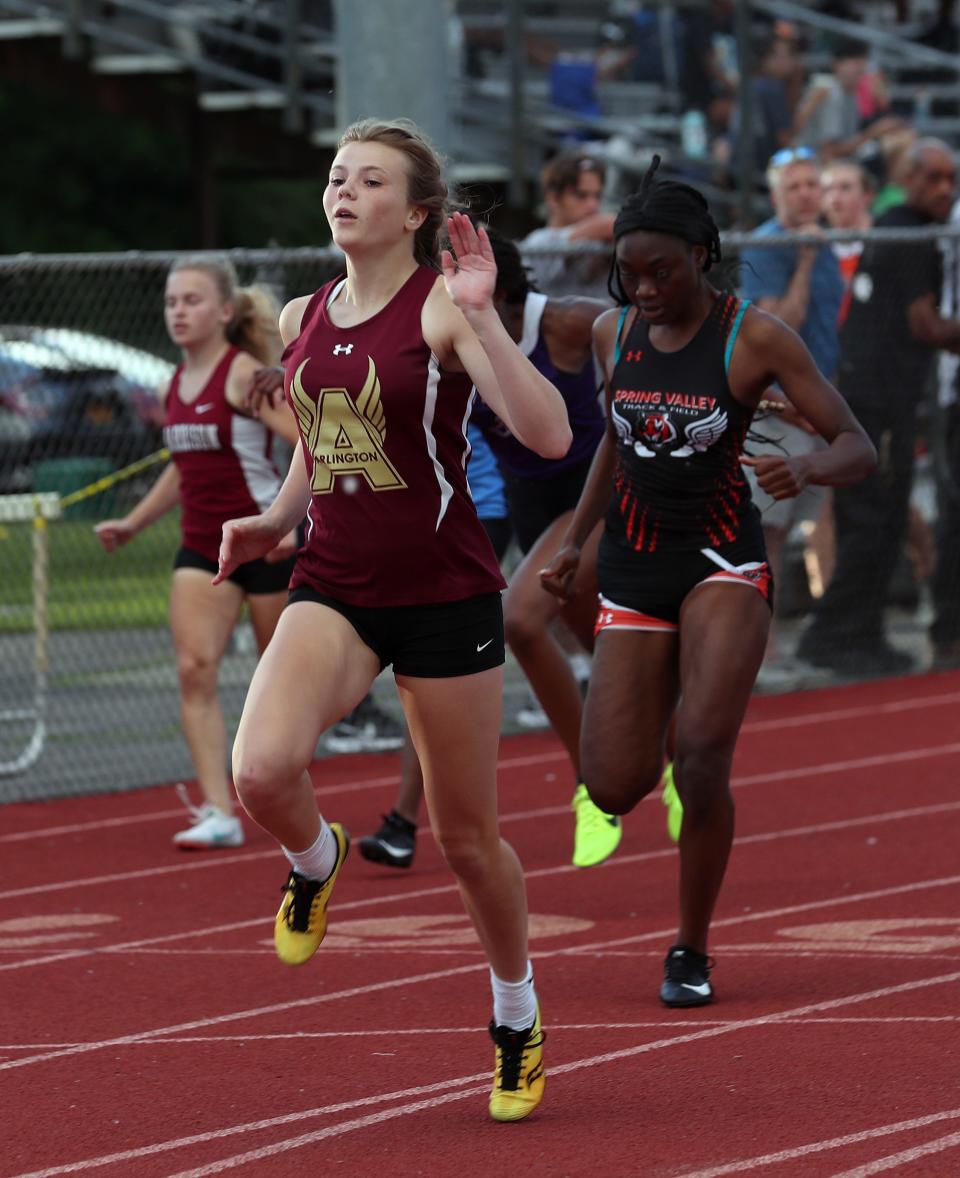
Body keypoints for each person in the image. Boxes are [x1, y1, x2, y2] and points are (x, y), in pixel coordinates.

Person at [217, 119, 572, 1122]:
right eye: (336, 176)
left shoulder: (442, 312)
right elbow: (323, 442)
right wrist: (278, 518)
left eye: (370, 181)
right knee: (259, 769)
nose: (344, 191)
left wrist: (486, 315)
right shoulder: (300, 316)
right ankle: (315, 859)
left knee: (466, 840)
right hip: (335, 582)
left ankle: (517, 1013)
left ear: (416, 212)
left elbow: (545, 434)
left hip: (445, 592)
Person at [540, 155, 875, 1007]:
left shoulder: (751, 336)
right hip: (633, 563)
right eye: (630, 273)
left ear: (702, 256)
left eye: (662, 271)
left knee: (701, 757)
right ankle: (641, 725)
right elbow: (616, 441)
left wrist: (809, 473)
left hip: (724, 558)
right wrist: (577, 541)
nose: (644, 289)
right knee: (613, 783)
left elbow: (854, 443)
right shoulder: (616, 334)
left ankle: (690, 948)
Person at [361, 227, 620, 873]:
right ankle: (402, 819)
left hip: (602, 498)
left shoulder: (570, 325)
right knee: (612, 662)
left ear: (492, 291)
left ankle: (595, 790)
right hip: (522, 508)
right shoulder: (439, 342)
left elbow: (652, 337)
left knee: (522, 624)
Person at [95, 255, 300, 848]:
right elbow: (185, 469)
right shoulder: (171, 385)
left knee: (279, 685)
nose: (179, 312)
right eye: (171, 302)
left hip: (264, 546)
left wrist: (291, 520)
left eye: (192, 300)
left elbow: (313, 443)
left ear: (226, 311)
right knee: (194, 670)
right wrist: (133, 524)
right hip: (202, 548)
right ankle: (219, 810)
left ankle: (282, 792)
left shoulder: (241, 377)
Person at [798, 139, 960, 676]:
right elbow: (927, 326)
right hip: (880, 397)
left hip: (874, 393)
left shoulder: (901, 224)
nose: (944, 189)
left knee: (881, 515)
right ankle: (836, 633)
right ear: (905, 177)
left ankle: (857, 631)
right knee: (873, 516)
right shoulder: (909, 231)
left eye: (950, 179)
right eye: (933, 177)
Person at [738, 147, 845, 679]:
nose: (806, 194)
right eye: (795, 186)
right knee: (767, 536)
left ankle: (797, 640)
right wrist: (802, 260)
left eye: (811, 185)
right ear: (778, 193)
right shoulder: (771, 243)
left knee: (807, 527)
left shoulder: (823, 245)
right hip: (778, 415)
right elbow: (779, 324)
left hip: (818, 411)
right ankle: (762, 652)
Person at [521, 152, 615, 301]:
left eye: (597, 195)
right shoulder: (537, 241)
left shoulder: (605, 236)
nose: (593, 205)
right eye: (581, 195)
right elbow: (608, 225)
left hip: (605, 323)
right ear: (553, 198)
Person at [792, 39, 903, 163]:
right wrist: (873, 133)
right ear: (837, 64)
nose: (861, 68)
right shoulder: (829, 90)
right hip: (815, 164)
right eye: (856, 62)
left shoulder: (851, 92)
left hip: (840, 160)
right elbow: (830, 151)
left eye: (863, 62)